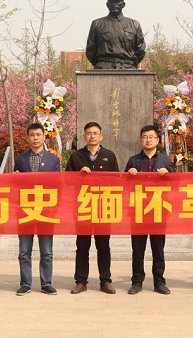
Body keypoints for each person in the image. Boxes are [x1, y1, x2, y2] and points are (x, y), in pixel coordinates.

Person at [66, 122, 120, 294]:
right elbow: (66, 181)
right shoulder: (76, 156)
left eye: (95, 133)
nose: (92, 136)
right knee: (82, 246)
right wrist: (78, 175)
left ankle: (105, 280)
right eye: (89, 133)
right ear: (84, 136)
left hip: (104, 206)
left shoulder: (109, 156)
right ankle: (81, 281)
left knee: (103, 246)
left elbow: (117, 181)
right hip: (83, 206)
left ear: (101, 136)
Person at [125, 125, 175, 295]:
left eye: (151, 137)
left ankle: (159, 282)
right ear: (141, 140)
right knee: (138, 250)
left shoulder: (166, 161)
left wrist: (168, 174)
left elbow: (176, 183)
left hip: (158, 210)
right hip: (138, 211)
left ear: (157, 140)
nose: (148, 140)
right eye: (145, 137)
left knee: (158, 249)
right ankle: (137, 281)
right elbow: (123, 185)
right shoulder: (133, 160)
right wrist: (129, 174)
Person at [13, 123, 61, 296]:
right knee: (24, 251)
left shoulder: (53, 160)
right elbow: (14, 186)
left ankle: (46, 283)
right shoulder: (20, 159)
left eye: (38, 135)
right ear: (28, 137)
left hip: (46, 211)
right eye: (32, 135)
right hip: (25, 210)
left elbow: (58, 185)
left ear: (44, 137)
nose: (35, 138)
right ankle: (25, 283)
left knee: (46, 251)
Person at [85, 0, 146, 69]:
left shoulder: (134, 24)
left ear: (123, 4)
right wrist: (100, 65)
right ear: (107, 4)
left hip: (127, 67)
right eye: (111, 1)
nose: (114, 4)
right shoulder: (97, 24)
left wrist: (130, 64)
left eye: (117, 1)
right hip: (103, 67)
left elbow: (141, 50)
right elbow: (90, 50)